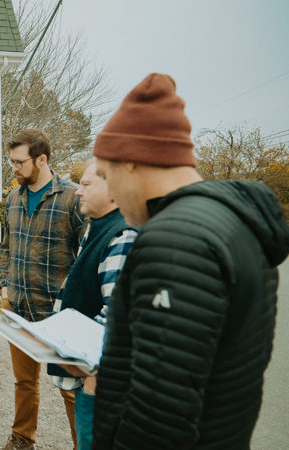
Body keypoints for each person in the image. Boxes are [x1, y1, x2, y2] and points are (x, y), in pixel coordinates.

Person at [91, 73, 289, 448]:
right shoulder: (232, 223)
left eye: (105, 174)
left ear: (132, 160)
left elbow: (159, 412)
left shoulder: (175, 241)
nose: (110, 191)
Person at [0, 129, 84, 450]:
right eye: (11, 163)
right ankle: (22, 437)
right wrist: (5, 287)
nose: (15, 169)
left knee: (72, 388)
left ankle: (84, 443)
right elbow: (6, 248)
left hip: (60, 314)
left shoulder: (72, 198)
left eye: (20, 162)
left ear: (42, 159)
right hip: (18, 309)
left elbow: (87, 253)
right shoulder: (12, 198)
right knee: (24, 382)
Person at [46, 159, 137, 450]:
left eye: (86, 184)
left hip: (99, 381)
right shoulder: (96, 227)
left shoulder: (122, 236)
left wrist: (89, 370)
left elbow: (116, 315)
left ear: (114, 190)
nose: (77, 192)